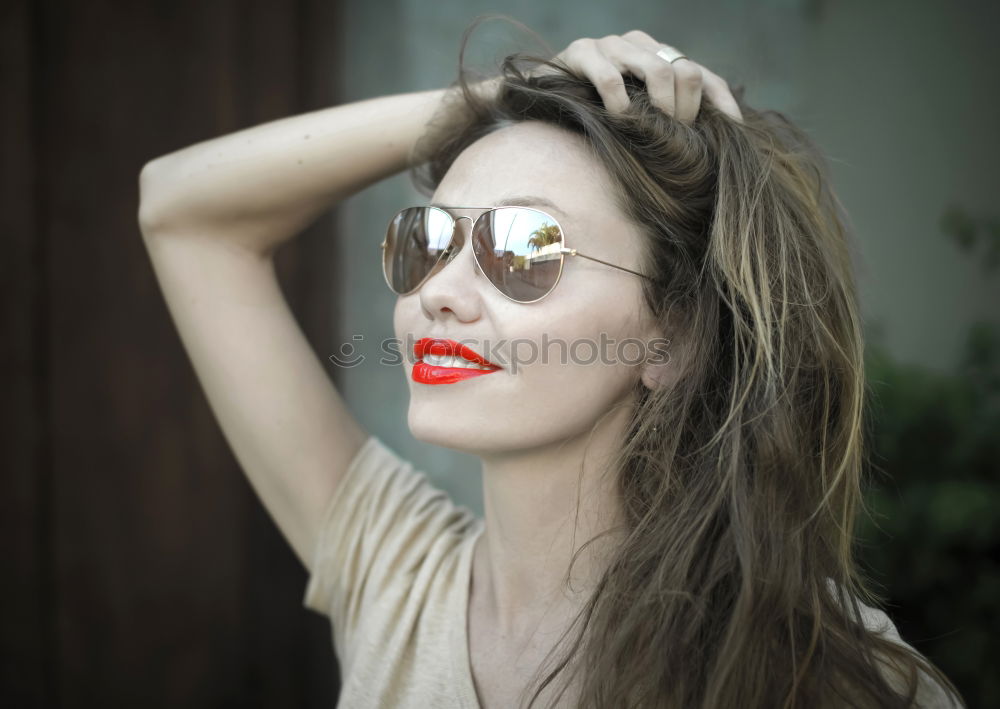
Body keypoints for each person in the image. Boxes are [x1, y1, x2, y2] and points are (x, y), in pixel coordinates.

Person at [138, 16, 965, 709]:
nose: (441, 293)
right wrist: (505, 95)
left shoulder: (837, 675)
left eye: (525, 248)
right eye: (427, 241)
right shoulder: (397, 577)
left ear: (670, 335)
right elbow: (179, 209)